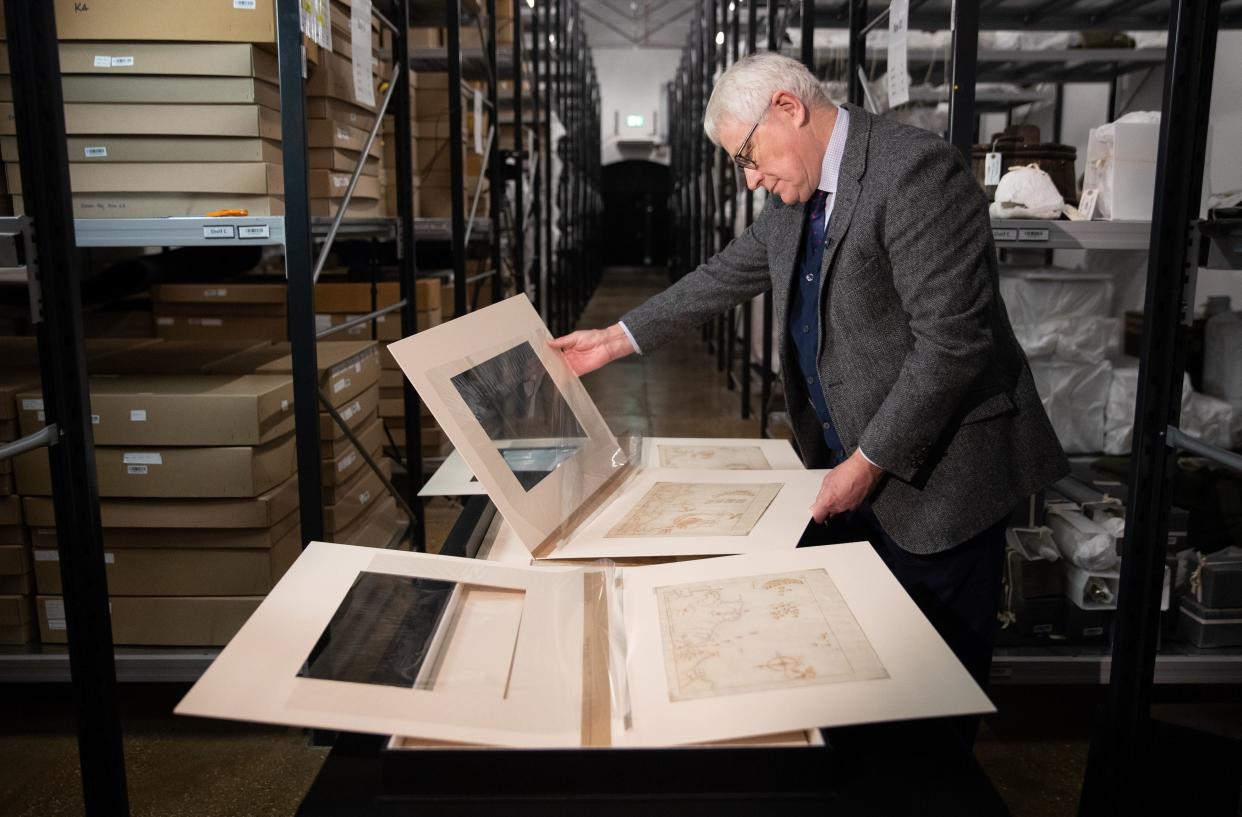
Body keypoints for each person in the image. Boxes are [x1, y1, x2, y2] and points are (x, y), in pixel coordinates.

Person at [550, 53, 1070, 702]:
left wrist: (868, 462)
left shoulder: (914, 172)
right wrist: (614, 338)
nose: (747, 180)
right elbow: (723, 276)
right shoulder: (798, 196)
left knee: (928, 695)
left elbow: (953, 348)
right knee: (859, 678)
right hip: (848, 470)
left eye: (745, 155)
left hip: (939, 482)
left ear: (788, 109)